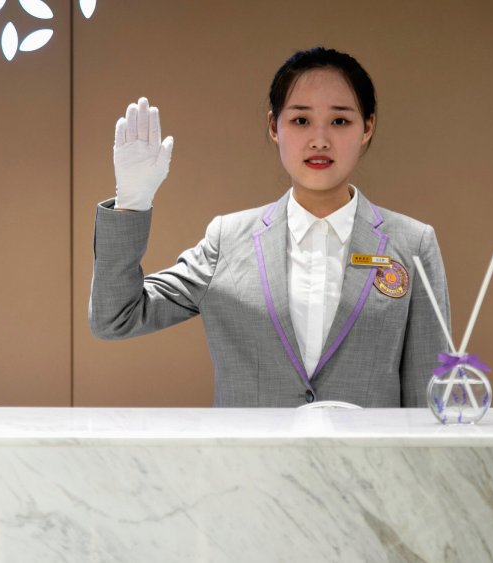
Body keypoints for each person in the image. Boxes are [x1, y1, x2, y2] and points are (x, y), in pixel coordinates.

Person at [89, 46, 450, 408]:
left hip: (371, 448)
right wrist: (132, 202)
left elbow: (430, 401)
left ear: (367, 127)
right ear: (274, 126)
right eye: (301, 120)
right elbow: (115, 317)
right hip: (252, 448)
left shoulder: (413, 244)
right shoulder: (228, 241)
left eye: (340, 121)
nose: (320, 139)